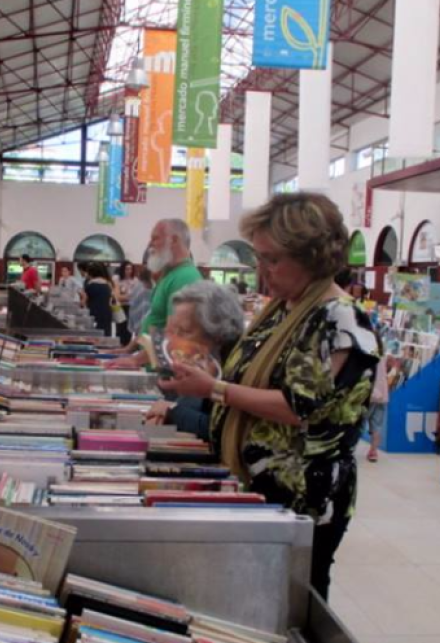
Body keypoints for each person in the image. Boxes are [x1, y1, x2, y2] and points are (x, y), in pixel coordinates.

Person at [159, 193, 380, 600]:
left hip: (302, 497)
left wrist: (216, 390)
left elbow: (300, 407)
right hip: (258, 485)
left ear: (312, 255)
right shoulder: (281, 310)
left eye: (272, 259)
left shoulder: (340, 319)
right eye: (259, 257)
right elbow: (247, 372)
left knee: (293, 600)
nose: (262, 270)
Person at [145, 282, 245, 440]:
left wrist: (172, 411)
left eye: (184, 332)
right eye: (174, 330)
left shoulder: (236, 370)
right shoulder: (200, 363)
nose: (175, 339)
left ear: (217, 334)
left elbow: (221, 428)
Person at [108, 219, 202, 367]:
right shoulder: (170, 275)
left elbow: (175, 337)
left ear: (174, 240)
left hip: (164, 375)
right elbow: (153, 319)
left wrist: (136, 360)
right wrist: (129, 349)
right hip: (151, 366)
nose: (150, 245)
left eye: (155, 238)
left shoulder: (184, 278)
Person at [81, 262, 115, 336]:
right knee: (105, 334)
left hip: (94, 313)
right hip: (106, 313)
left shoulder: (89, 285)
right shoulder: (108, 284)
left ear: (90, 273)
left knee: (94, 335)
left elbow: (83, 302)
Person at [127, 267, 154, 339]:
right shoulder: (148, 289)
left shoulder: (137, 287)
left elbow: (132, 305)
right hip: (147, 324)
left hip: (138, 321)